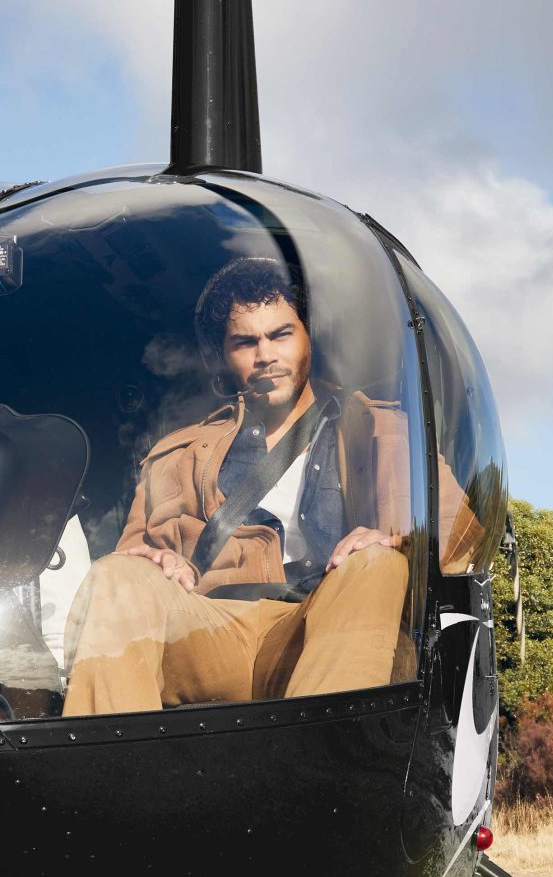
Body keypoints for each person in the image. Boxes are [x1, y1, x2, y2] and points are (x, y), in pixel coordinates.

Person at [62, 257, 482, 716]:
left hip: (323, 627)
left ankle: (317, 775)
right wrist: (155, 562)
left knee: (375, 564)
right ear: (223, 357)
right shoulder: (176, 455)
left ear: (308, 339)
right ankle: (108, 784)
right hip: (207, 628)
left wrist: (403, 541)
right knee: (118, 576)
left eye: (280, 334)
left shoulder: (386, 433)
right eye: (245, 342)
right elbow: (130, 566)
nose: (265, 355)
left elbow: (463, 545)